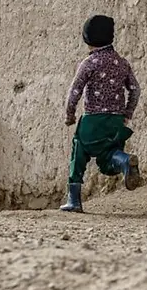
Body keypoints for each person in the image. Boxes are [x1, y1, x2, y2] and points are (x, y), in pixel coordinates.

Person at [60, 14, 142, 213]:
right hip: (115, 122)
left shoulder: (90, 63)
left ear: (87, 38)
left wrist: (69, 115)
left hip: (92, 121)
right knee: (107, 159)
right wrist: (127, 113)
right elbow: (135, 89)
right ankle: (124, 161)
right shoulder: (122, 63)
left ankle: (74, 201)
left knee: (78, 153)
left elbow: (75, 91)